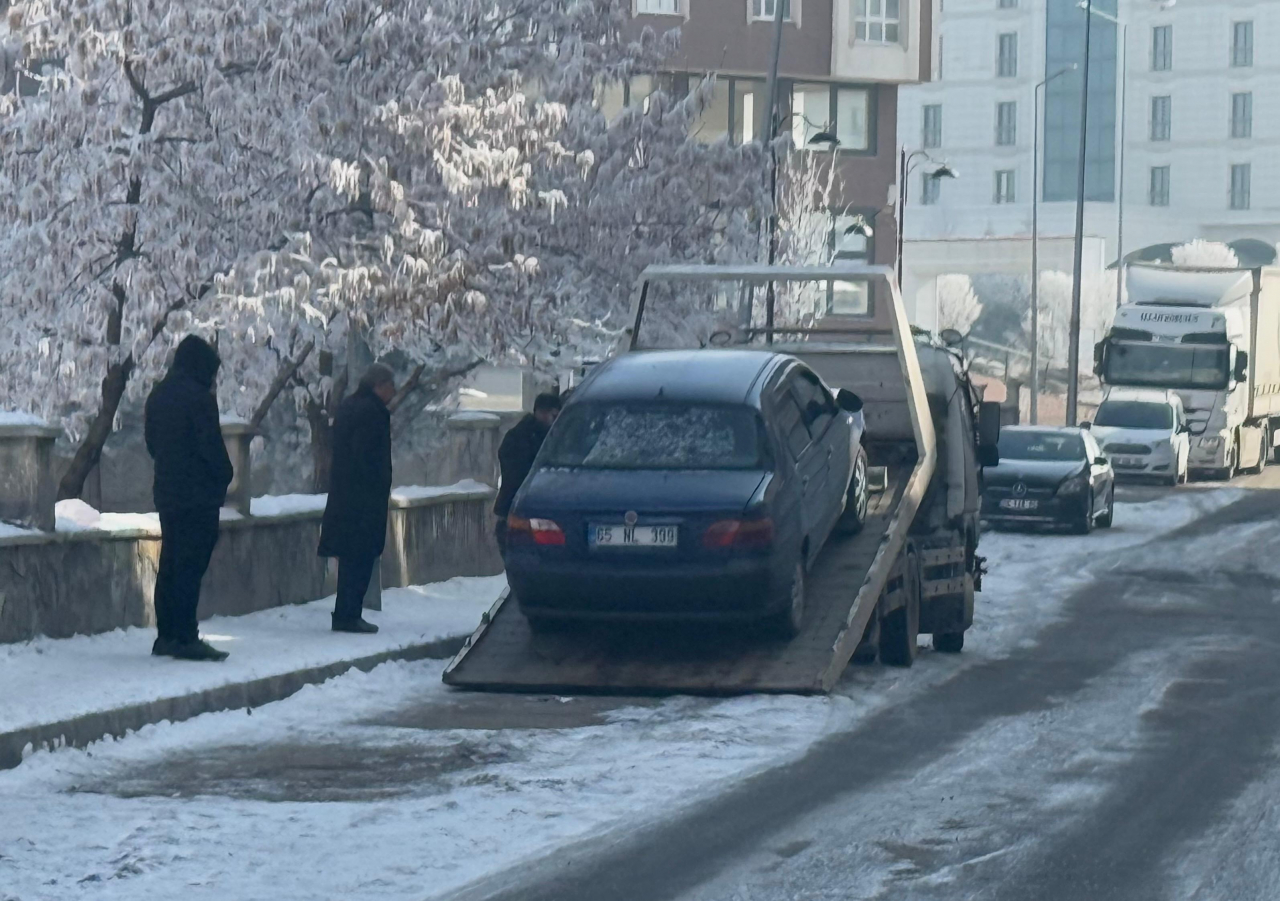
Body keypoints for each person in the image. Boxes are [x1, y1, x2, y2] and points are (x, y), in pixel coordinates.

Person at [144, 335, 235, 662]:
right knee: (190, 567)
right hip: (198, 496)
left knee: (171, 563)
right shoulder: (199, 399)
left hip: (168, 493)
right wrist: (225, 474)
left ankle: (167, 634)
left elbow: (152, 444)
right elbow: (211, 447)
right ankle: (185, 635)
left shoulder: (158, 395)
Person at [318, 364, 396, 633]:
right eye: (390, 385)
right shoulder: (372, 413)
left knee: (350, 557)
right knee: (360, 557)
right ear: (379, 385)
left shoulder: (349, 406)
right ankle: (349, 614)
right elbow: (367, 456)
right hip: (364, 499)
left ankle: (346, 612)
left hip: (345, 495)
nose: (394, 391)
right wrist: (378, 482)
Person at [494, 392, 562, 554]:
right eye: (552, 415)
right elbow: (517, 473)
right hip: (518, 510)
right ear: (541, 413)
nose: (554, 420)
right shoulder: (522, 437)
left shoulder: (546, 435)